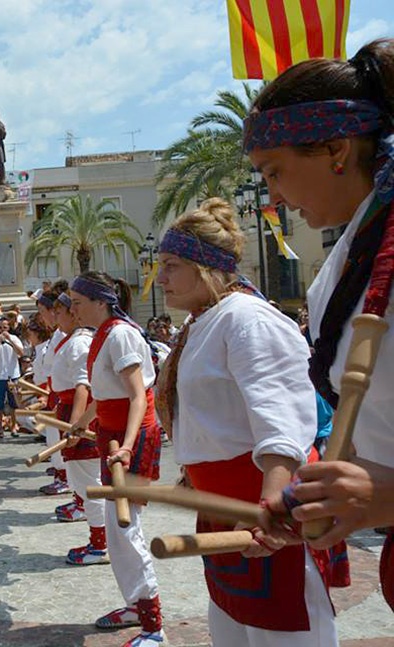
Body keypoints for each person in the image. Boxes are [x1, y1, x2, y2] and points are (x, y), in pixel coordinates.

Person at [243, 39, 394, 613]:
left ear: (336, 148)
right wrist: (315, 498)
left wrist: (387, 497)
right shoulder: (339, 266)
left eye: (275, 171)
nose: (274, 197)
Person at [154, 199, 342, 645]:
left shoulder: (247, 320)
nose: (160, 278)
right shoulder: (204, 323)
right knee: (233, 632)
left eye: (171, 265)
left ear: (206, 268)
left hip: (262, 510)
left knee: (285, 634)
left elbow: (282, 421)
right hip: (224, 513)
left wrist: (272, 507)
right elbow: (215, 418)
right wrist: (193, 477)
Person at [68, 271, 164, 647]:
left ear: (100, 301)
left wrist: (125, 446)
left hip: (132, 436)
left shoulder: (121, 334)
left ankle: (153, 625)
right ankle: (135, 605)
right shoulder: (104, 334)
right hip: (115, 434)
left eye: (77, 302)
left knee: (126, 528)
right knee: (117, 527)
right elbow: (104, 397)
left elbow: (138, 396)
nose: (72, 309)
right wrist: (81, 424)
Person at [50, 290, 107, 564]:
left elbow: (84, 385)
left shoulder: (80, 342)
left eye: (59, 311)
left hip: (80, 415)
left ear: (73, 313)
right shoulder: (72, 341)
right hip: (71, 411)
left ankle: (100, 545)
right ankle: (99, 540)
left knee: (90, 482)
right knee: (81, 479)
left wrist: (75, 426)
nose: (55, 317)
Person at [32, 285, 70, 495]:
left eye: (42, 312)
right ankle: (61, 474)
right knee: (53, 437)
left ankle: (65, 479)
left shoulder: (63, 336)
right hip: (53, 392)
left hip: (61, 393)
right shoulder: (57, 336)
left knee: (59, 437)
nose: (42, 317)